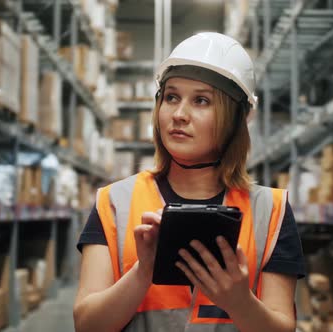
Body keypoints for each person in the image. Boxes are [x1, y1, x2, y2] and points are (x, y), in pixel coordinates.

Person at [74, 32, 305, 332]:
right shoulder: (115, 202)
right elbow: (87, 326)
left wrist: (239, 301)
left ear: (238, 117)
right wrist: (144, 271)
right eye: (171, 97)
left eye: (201, 100)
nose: (179, 114)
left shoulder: (270, 211)